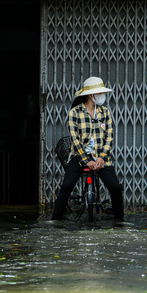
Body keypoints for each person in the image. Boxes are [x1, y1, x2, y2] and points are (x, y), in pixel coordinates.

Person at [52, 77, 125, 223]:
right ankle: (55, 219)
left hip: (100, 158)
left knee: (115, 187)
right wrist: (86, 161)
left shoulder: (105, 112)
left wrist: (102, 158)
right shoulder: (75, 112)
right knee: (66, 186)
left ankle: (120, 219)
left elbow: (109, 137)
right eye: (99, 93)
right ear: (91, 95)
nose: (102, 96)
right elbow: (75, 139)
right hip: (79, 157)